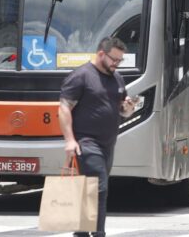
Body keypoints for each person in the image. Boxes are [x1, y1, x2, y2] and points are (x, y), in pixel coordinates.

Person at [58, 37, 137, 237]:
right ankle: (98, 233)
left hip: (108, 144)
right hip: (86, 142)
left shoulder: (117, 78)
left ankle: (82, 233)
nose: (116, 64)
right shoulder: (81, 76)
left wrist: (128, 108)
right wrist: (69, 140)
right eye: (114, 59)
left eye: (120, 61)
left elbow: (122, 110)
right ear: (101, 53)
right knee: (99, 187)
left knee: (89, 189)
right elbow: (64, 107)